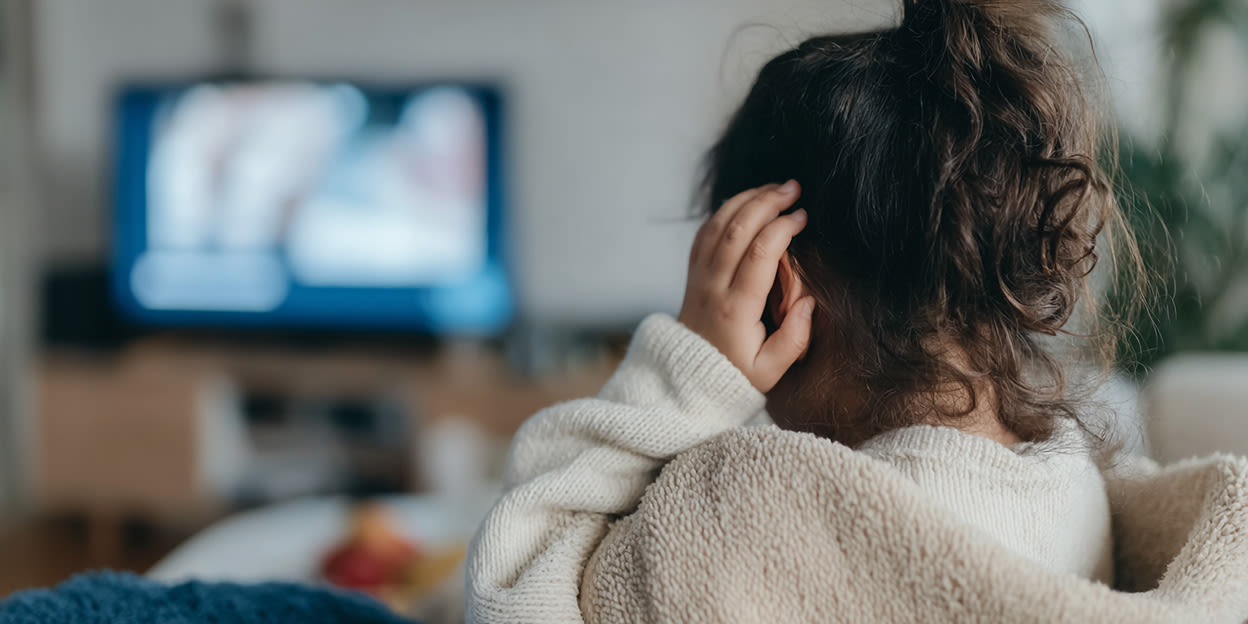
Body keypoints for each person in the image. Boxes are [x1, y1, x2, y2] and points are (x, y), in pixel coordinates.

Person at [465, 1, 1248, 622]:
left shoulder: (753, 504)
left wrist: (684, 374)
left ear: (774, 291)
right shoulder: (1068, 481)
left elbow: (509, 589)